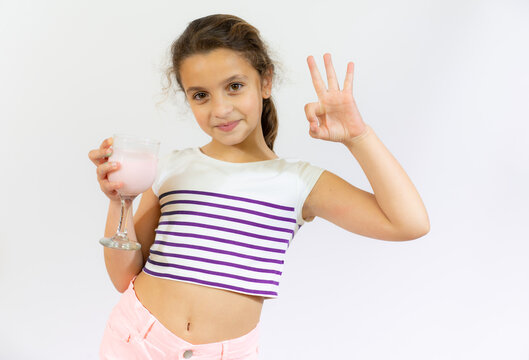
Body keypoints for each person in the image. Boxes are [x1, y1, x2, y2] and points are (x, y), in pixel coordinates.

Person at [88, 13, 430, 360]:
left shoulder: (298, 182)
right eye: (201, 95)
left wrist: (358, 136)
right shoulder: (171, 169)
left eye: (234, 86)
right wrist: (120, 201)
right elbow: (123, 277)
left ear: (265, 82)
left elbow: (409, 223)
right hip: (135, 341)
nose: (220, 109)